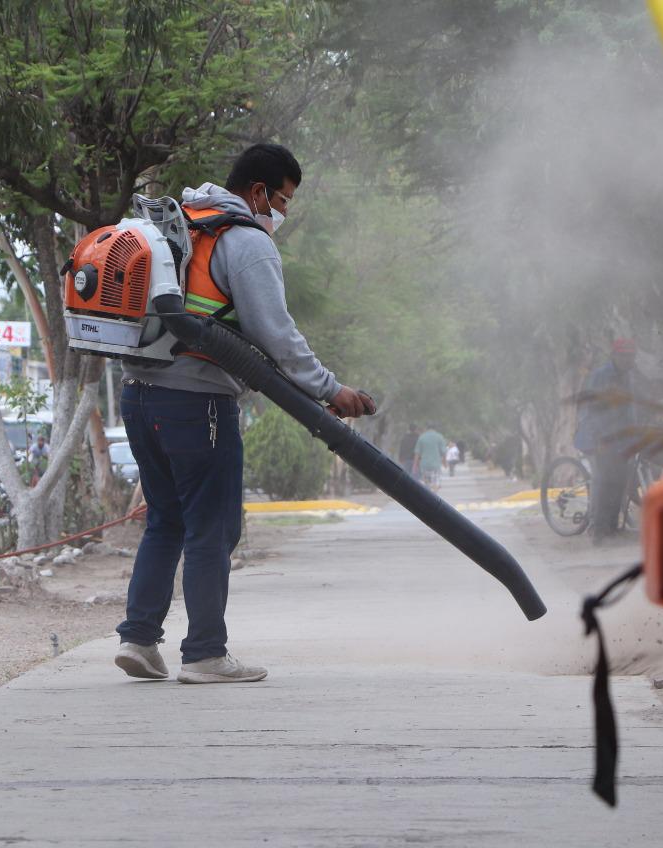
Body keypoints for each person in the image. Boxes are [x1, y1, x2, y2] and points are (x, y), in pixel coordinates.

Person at [114, 143, 373, 685]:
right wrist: (331, 389)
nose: (282, 212)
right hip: (198, 401)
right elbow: (276, 335)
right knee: (214, 526)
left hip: (138, 394)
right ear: (258, 192)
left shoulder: (177, 224)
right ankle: (206, 654)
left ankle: (139, 640)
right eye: (282, 200)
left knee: (165, 519)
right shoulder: (244, 240)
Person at [574, 338, 641, 544]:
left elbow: (629, 409)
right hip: (598, 438)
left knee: (620, 482)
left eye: (631, 356)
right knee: (605, 483)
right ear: (615, 356)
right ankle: (600, 533)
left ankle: (611, 529)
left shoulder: (627, 376)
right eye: (625, 356)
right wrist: (600, 437)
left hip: (619, 438)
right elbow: (590, 410)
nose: (629, 360)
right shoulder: (600, 376)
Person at [413, 426, 448, 491]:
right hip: (436, 465)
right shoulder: (439, 437)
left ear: (427, 428)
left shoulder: (422, 437)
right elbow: (444, 452)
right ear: (435, 428)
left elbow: (417, 453)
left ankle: (428, 497)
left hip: (424, 465)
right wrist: (445, 462)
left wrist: (415, 465)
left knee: (427, 484)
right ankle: (434, 497)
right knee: (436, 483)